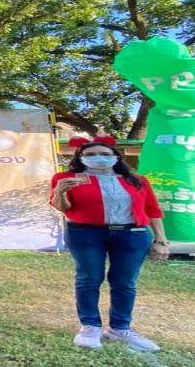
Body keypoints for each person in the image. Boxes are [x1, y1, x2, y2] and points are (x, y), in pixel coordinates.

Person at [50, 135, 169, 352]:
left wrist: (161, 240)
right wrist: (60, 192)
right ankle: (90, 327)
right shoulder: (67, 178)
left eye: (105, 154)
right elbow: (63, 207)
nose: (99, 158)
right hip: (86, 233)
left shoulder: (137, 180)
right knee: (89, 278)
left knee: (125, 282)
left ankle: (120, 328)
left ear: (116, 157)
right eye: (91, 154)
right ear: (80, 157)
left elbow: (152, 209)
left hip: (131, 234)